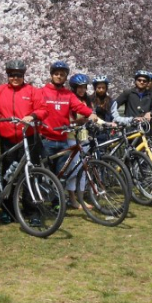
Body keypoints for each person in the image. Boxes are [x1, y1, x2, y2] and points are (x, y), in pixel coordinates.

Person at [36, 61, 98, 209]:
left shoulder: (68, 94)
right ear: (51, 75)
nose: (59, 76)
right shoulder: (42, 91)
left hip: (63, 139)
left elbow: (78, 106)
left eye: (62, 75)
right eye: (56, 74)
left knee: (61, 174)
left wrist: (91, 114)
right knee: (44, 173)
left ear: (65, 78)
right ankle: (39, 200)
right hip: (46, 139)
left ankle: (57, 203)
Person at [0, 59, 42, 223]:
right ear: (7, 75)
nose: (15, 78)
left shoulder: (32, 91)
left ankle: (32, 211)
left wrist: (32, 116)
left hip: (29, 138)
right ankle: (7, 210)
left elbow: (42, 109)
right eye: (12, 75)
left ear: (23, 76)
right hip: (7, 139)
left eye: (18, 75)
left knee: (30, 175)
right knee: (9, 175)